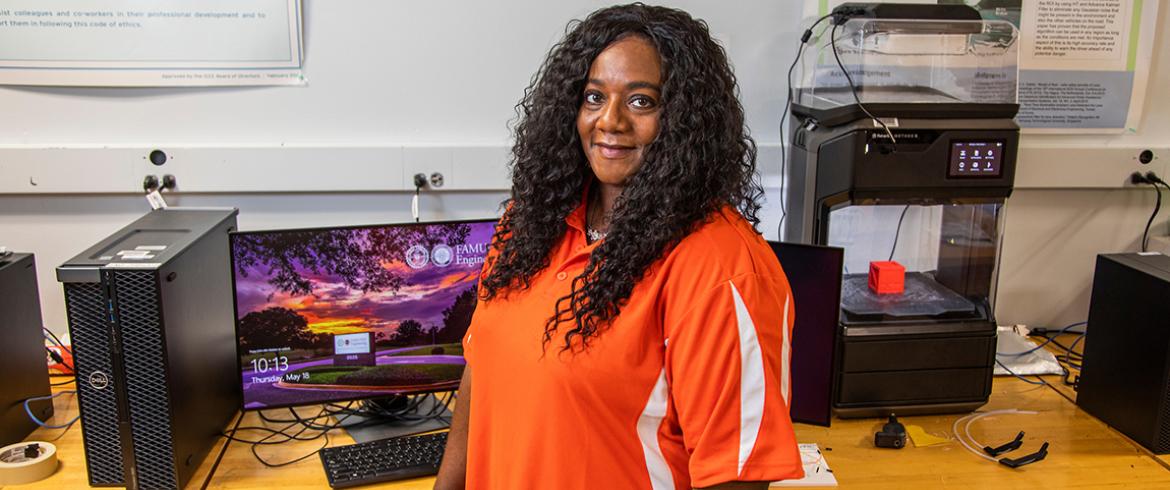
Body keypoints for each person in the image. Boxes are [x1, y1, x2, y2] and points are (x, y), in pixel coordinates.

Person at [435, 4, 802, 489]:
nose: (609, 121)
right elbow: (479, 373)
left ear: (685, 120)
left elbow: (738, 476)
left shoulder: (720, 268)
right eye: (593, 96)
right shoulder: (527, 225)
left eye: (641, 101)